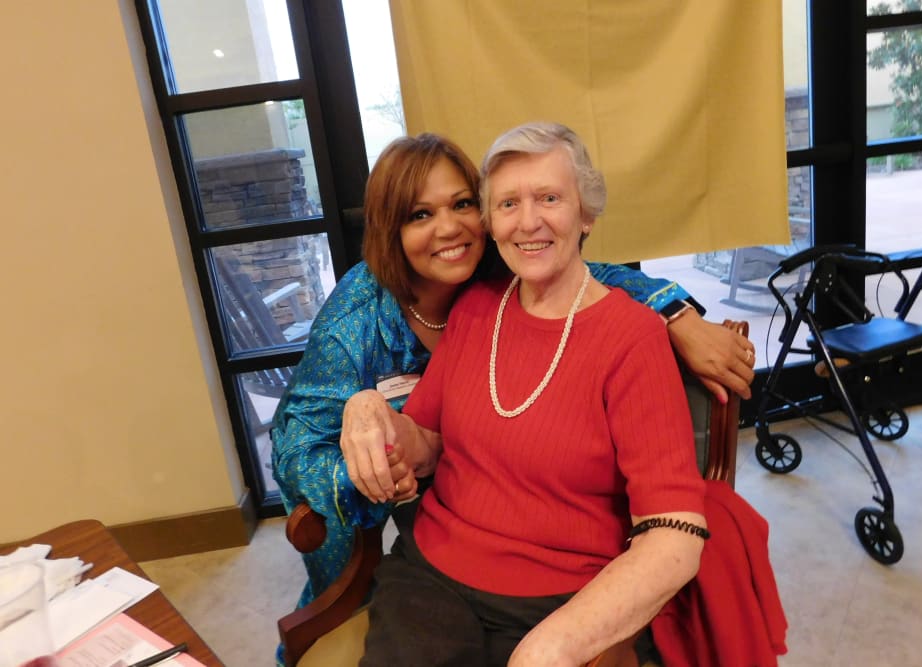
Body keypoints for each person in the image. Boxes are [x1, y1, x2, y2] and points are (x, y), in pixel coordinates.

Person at [270, 132, 754, 662]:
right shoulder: (473, 306)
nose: (527, 221)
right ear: (494, 222)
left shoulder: (633, 338)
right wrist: (367, 408)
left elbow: (674, 534)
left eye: (549, 198)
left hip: (565, 592)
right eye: (507, 204)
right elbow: (425, 440)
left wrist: (550, 647)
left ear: (586, 213)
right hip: (431, 575)